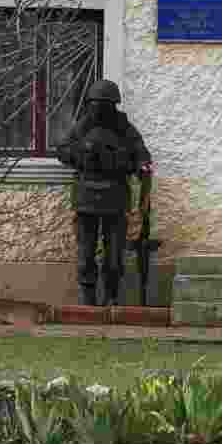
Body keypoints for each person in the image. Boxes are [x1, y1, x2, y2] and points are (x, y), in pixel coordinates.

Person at [56, 79, 152, 306]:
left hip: (116, 196)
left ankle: (112, 297)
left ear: (114, 105)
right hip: (86, 197)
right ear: (90, 103)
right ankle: (88, 300)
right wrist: (82, 154)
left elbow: (141, 153)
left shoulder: (123, 127)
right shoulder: (83, 126)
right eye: (97, 103)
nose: (100, 108)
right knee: (86, 254)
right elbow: (62, 150)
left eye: (105, 103)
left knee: (114, 256)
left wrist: (141, 166)